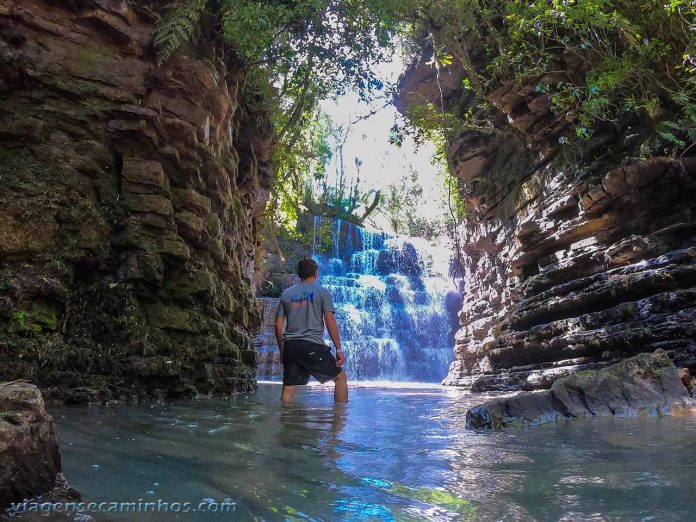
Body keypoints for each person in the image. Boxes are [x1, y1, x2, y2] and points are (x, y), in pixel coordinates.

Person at [275, 258, 348, 403]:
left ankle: (286, 423)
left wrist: (283, 351)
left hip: (291, 346)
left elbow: (278, 326)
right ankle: (339, 421)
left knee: (288, 389)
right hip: (312, 345)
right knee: (340, 379)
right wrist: (338, 349)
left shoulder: (287, 293)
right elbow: (330, 321)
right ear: (316, 273)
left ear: (298, 274)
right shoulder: (322, 292)